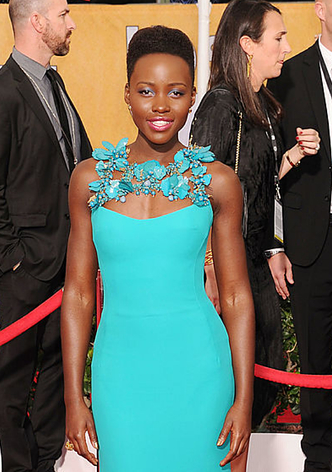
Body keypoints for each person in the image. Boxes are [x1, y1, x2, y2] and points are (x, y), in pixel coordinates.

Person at [61, 26, 255, 471]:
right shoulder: (89, 181)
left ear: (192, 98)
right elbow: (77, 294)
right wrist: (73, 397)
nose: (161, 105)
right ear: (127, 94)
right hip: (120, 376)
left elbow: (237, 296)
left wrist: (244, 399)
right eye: (147, 91)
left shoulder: (217, 181)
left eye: (177, 92)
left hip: (200, 371)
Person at [190, 3, 319, 467]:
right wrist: (207, 268)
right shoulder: (222, 105)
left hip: (252, 266)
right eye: (277, 38)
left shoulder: (262, 105)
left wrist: (287, 161)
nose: (286, 48)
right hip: (225, 270)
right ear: (247, 44)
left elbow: (251, 188)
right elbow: (198, 191)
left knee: (259, 384)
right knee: (228, 393)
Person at [0, 0, 92, 469]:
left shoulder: (55, 83)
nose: (71, 23)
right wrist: (13, 260)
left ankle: (46, 462)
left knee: (54, 372)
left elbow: (77, 161)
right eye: (64, 14)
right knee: (13, 379)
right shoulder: (0, 94)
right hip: (26, 267)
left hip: (65, 261)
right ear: (37, 21)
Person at [267, 1, 332, 469]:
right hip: (313, 244)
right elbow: (264, 166)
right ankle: (320, 460)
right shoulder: (287, 74)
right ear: (320, 7)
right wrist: (274, 244)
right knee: (316, 361)